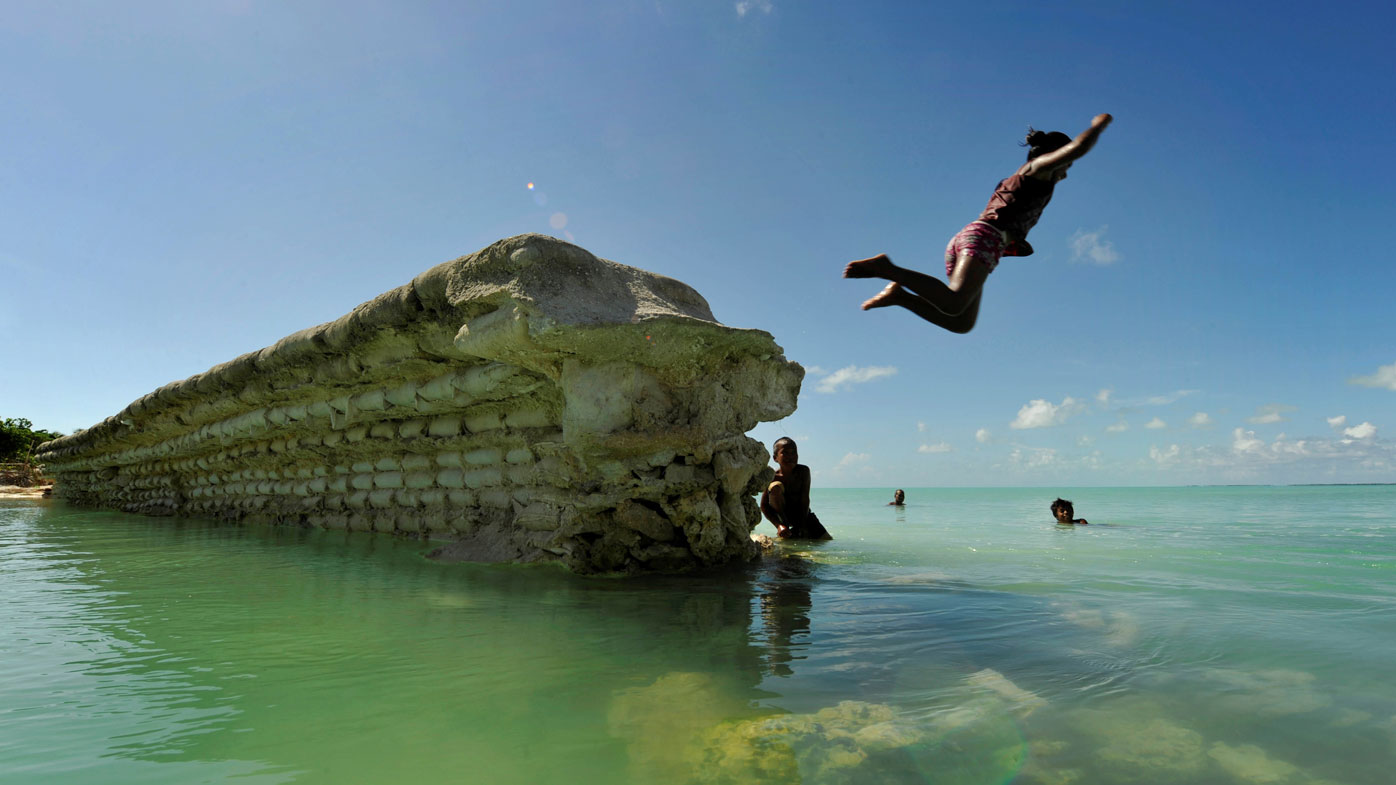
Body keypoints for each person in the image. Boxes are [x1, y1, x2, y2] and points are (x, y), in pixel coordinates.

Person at [844, 113, 1114, 334]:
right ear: (1056, 157)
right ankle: (887, 269)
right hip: (983, 239)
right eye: (1067, 165)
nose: (1066, 173)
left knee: (960, 321)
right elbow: (1077, 148)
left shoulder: (1031, 180)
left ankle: (900, 296)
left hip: (980, 243)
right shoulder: (1036, 170)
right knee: (954, 300)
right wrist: (1098, 126)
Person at [760, 437, 832, 540]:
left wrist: (801, 526)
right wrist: (779, 525)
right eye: (785, 453)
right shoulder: (772, 476)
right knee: (775, 486)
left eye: (794, 453)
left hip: (803, 516)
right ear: (775, 458)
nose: (791, 456)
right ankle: (785, 530)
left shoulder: (803, 472)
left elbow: (805, 498)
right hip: (783, 518)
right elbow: (764, 506)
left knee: (826, 541)